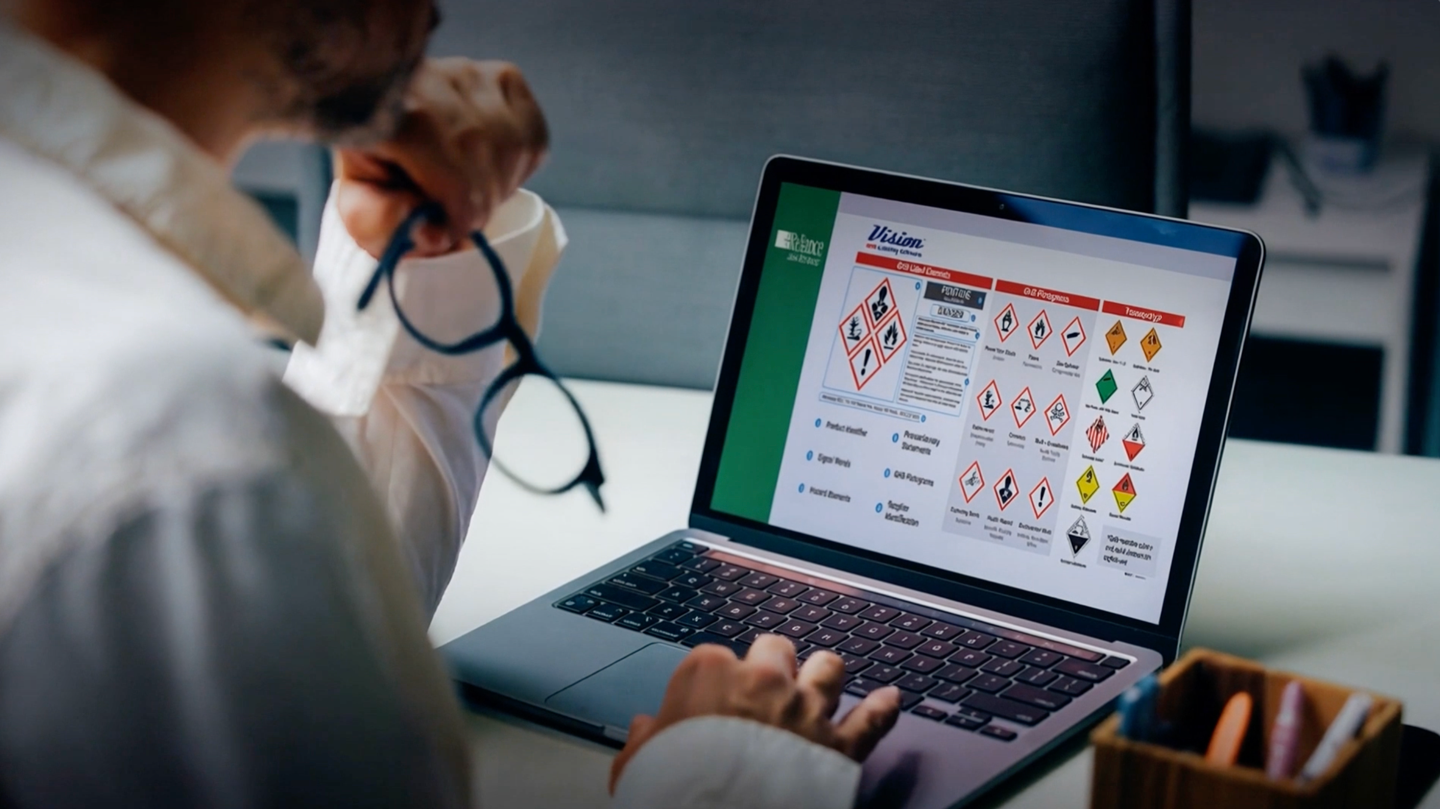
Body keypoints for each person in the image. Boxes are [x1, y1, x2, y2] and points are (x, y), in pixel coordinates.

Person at [0, 0, 901, 806]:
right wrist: (725, 787)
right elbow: (227, 498)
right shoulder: (177, 441)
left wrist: (418, 269)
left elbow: (313, 656)